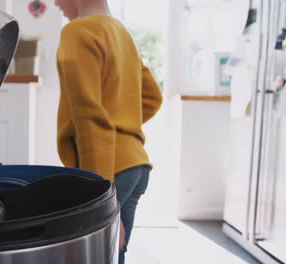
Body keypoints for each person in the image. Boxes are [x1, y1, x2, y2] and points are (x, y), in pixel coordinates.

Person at [54, 0, 163, 263]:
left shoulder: (77, 32)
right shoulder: (121, 33)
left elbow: (90, 117)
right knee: (113, 253)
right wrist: (124, 125)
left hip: (109, 170)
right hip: (136, 164)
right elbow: (152, 97)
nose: (56, 3)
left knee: (94, 256)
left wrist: (102, 200)